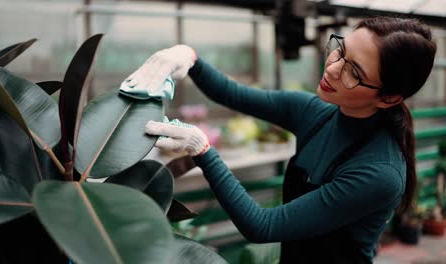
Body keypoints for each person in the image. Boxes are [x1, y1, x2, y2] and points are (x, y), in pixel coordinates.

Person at [125, 16, 436, 263]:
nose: (332, 68)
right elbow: (232, 94)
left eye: (353, 71)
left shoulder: (379, 173)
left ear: (387, 98)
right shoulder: (316, 112)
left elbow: (263, 226)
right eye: (340, 50)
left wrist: (202, 149)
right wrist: (188, 56)